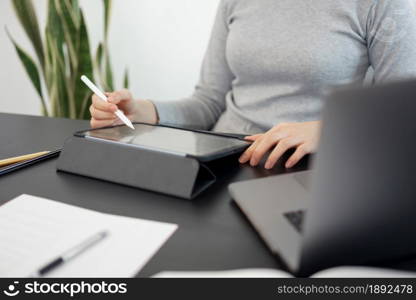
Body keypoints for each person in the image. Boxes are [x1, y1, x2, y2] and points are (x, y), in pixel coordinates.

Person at [90, 0, 416, 169]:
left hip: (307, 171)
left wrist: (327, 129)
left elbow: (401, 116)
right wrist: (142, 111)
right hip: (220, 161)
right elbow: (208, 101)